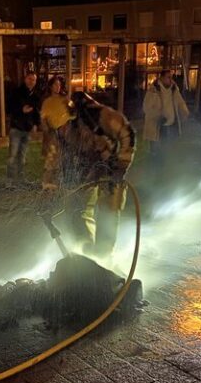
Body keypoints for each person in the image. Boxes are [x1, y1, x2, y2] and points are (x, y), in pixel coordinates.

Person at [44, 91, 136, 257]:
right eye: (58, 129)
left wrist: (121, 165)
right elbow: (52, 161)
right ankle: (86, 250)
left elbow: (127, 133)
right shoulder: (59, 134)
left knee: (109, 208)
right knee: (75, 207)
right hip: (88, 167)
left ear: (71, 118)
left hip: (111, 166)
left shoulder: (98, 117)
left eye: (64, 127)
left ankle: (104, 254)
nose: (62, 132)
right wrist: (48, 188)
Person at [142, 70, 189, 155]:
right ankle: (154, 163)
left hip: (169, 126)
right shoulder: (153, 90)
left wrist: (185, 112)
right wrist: (158, 116)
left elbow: (180, 102)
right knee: (155, 151)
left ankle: (161, 163)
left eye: (171, 77)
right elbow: (146, 107)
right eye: (168, 77)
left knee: (165, 151)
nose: (170, 80)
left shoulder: (174, 89)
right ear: (162, 78)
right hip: (156, 125)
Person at [40, 76, 72, 193]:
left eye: (59, 85)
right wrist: (47, 131)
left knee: (64, 158)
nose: (57, 87)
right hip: (53, 133)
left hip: (66, 133)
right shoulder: (47, 102)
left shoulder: (65, 100)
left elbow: (72, 114)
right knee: (51, 159)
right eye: (55, 85)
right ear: (50, 86)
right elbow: (43, 118)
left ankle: (60, 183)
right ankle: (47, 184)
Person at [7, 71, 40, 184]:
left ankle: (21, 179)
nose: (32, 81)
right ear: (25, 79)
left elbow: (36, 111)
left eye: (34, 80)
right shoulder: (16, 92)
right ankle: (10, 181)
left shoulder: (35, 95)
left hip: (27, 129)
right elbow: (9, 108)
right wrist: (21, 110)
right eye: (30, 79)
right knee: (12, 155)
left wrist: (36, 124)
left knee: (22, 157)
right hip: (16, 128)